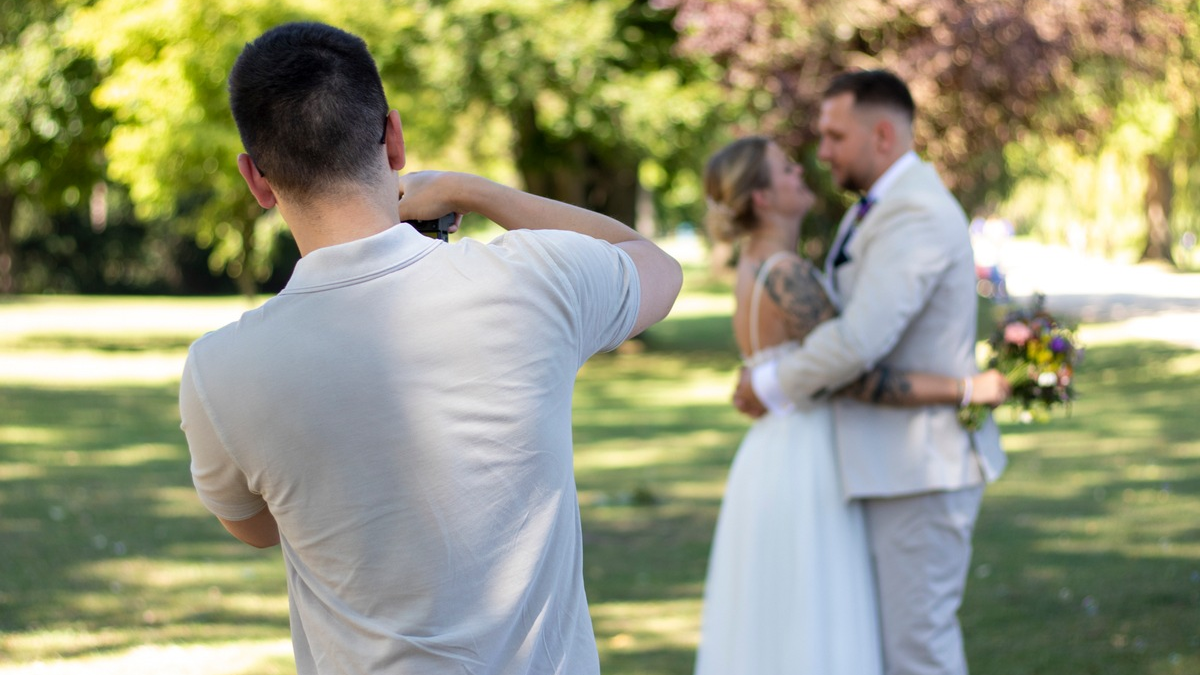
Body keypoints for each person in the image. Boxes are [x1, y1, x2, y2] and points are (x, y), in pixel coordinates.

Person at [178, 22, 682, 675]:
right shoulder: (532, 281)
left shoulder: (219, 370)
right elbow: (654, 266)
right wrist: (477, 191)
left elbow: (256, 525)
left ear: (257, 180)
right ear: (392, 137)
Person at [695, 136, 1010, 675]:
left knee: (780, 621)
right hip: (804, 456)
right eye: (786, 169)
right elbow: (852, 377)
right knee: (815, 619)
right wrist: (965, 389)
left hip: (770, 451)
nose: (801, 171)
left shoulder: (755, 265)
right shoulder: (785, 272)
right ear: (763, 198)